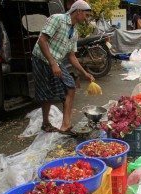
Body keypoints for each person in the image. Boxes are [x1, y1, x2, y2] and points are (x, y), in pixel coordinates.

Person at [32, 0, 94, 135]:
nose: (87, 18)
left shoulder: (75, 31)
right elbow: (42, 40)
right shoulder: (57, 19)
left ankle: (65, 125)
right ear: (78, 11)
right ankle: (45, 123)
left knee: (70, 86)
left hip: (56, 60)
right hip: (41, 58)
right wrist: (53, 63)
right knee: (45, 93)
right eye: (86, 15)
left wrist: (84, 73)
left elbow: (71, 56)